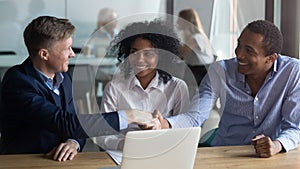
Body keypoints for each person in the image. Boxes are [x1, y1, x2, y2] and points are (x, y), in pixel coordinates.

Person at [0, 16, 154, 161]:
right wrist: (129, 116)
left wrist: (73, 142)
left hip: (60, 162)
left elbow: (77, 124)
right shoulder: (18, 82)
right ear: (44, 54)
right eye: (67, 48)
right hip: (24, 163)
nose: (73, 54)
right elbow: (67, 123)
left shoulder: (64, 77)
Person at [155, 20, 300, 158]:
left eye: (249, 51)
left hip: (270, 156)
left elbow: (294, 127)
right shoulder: (220, 71)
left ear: (271, 58)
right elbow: (195, 116)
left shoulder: (292, 72)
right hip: (226, 151)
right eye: (239, 45)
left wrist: (277, 145)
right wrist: (165, 123)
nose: (239, 54)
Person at [95, 19, 190, 150]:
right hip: (124, 154)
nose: (139, 59)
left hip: (164, 151)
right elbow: (102, 134)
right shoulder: (114, 88)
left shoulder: (177, 87)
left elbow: (185, 131)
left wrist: (161, 127)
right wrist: (127, 144)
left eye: (148, 54)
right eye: (134, 52)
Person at [177, 8, 216, 85]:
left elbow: (181, 53)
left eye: (179, 20)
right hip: (196, 70)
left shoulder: (196, 38)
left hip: (201, 72)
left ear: (186, 21)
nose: (177, 22)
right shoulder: (192, 37)